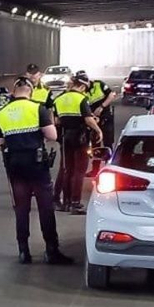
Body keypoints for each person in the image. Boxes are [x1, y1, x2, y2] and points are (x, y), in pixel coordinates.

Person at [0, 78, 75, 265]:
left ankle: (24, 251)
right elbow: (52, 135)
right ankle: (51, 250)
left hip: (15, 166)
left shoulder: (3, 113)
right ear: (30, 92)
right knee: (45, 208)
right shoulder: (38, 109)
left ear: (14, 92)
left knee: (21, 209)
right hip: (37, 165)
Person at [51, 75, 94, 213]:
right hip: (80, 138)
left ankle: (61, 200)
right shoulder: (82, 99)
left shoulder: (59, 99)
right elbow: (88, 119)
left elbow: (56, 121)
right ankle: (75, 203)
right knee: (79, 171)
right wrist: (98, 130)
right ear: (82, 86)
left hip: (65, 137)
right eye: (85, 89)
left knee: (65, 169)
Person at [83, 71, 116, 146]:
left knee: (108, 140)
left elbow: (111, 95)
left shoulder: (99, 84)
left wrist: (101, 107)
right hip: (92, 118)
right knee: (95, 141)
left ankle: (109, 154)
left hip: (105, 115)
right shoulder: (81, 91)